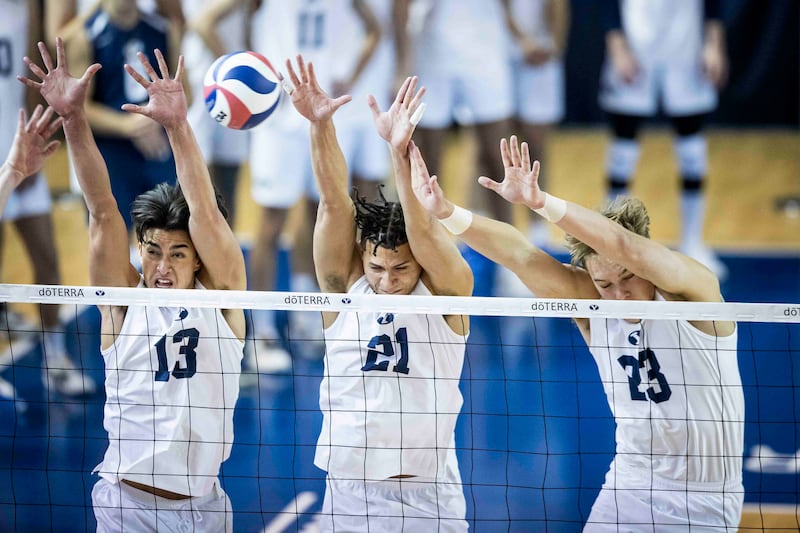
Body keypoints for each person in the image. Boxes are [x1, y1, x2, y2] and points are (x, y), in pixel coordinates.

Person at [411, 135, 744, 531]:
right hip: (629, 486)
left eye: (628, 278)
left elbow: (626, 247)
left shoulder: (692, 291)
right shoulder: (592, 305)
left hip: (704, 501)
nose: (619, 294)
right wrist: (447, 212)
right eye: (604, 283)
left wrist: (541, 204)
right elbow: (520, 254)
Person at [21, 38, 246, 531]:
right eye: (153, 251)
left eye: (179, 253)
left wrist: (178, 126)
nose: (162, 266)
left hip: (206, 509)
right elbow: (102, 209)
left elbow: (205, 211)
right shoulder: (121, 303)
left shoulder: (224, 297)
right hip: (129, 510)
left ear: (199, 260)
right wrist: (75, 120)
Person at [283, 55, 473, 531]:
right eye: (377, 267)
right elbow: (332, 203)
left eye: (401, 269)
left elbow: (425, 231)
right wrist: (320, 125)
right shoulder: (345, 292)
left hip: (428, 496)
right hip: (350, 494)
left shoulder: (447, 293)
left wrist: (398, 149)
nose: (388, 281)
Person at [0, 0, 96, 398]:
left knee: (47, 259)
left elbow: (32, 81)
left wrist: (29, 144)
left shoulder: (25, 9)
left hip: (22, 151)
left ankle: (55, 359)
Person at [599, 0, 728, 277]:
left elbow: (715, 6)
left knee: (692, 152)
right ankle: (611, 241)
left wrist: (714, 43)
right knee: (622, 153)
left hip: (685, 49)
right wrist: (618, 47)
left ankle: (692, 241)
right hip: (636, 46)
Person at [501, 0, 569, 249]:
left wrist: (553, 44)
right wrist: (519, 39)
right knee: (491, 146)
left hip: (541, 54)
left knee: (535, 147)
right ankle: (493, 228)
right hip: (497, 50)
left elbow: (559, 6)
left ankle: (538, 229)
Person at [182, 0, 249, 227]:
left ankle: (227, 257)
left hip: (228, 90)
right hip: (207, 85)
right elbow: (202, 23)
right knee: (200, 192)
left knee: (227, 185)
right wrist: (235, 71)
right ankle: (200, 258)